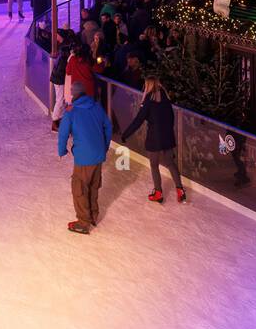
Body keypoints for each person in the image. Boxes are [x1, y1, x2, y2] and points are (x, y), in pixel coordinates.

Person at [120, 76, 186, 204]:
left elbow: (138, 121)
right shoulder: (167, 100)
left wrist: (125, 134)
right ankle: (180, 190)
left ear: (148, 85)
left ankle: (158, 192)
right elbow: (171, 119)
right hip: (167, 137)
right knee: (170, 163)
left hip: (154, 139)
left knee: (154, 165)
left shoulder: (148, 102)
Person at [57, 81, 112, 234]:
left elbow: (63, 133)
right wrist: (105, 146)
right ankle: (93, 215)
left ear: (74, 93)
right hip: (98, 155)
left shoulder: (71, 112)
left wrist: (61, 150)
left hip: (84, 157)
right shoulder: (96, 106)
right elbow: (108, 126)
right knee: (94, 186)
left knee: (79, 188)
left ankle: (83, 222)